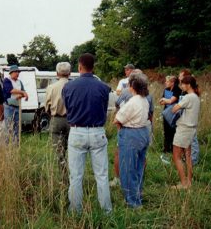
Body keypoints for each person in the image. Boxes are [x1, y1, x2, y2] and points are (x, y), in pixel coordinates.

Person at [62, 53, 112, 213]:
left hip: (77, 131)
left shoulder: (68, 87)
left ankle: (75, 210)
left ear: (79, 66)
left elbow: (68, 108)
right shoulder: (104, 87)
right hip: (98, 131)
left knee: (76, 176)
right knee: (102, 175)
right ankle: (106, 211)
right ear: (93, 67)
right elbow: (104, 109)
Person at [110, 70, 154, 187]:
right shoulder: (145, 99)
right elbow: (150, 114)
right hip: (143, 131)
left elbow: (117, 120)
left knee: (128, 168)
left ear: (132, 86)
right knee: (139, 164)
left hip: (131, 135)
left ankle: (132, 200)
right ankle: (137, 194)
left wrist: (121, 127)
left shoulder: (132, 102)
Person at [171, 75, 200, 189]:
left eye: (183, 83)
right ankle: (189, 181)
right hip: (191, 129)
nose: (181, 85)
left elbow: (174, 109)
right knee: (188, 156)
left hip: (184, 129)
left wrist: (174, 106)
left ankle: (183, 184)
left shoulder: (188, 97)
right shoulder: (196, 97)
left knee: (176, 156)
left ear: (188, 85)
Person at [45, 62, 71, 176]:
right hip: (72, 120)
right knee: (72, 149)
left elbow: (47, 106)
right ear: (69, 73)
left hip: (56, 119)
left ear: (57, 73)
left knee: (59, 150)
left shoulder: (51, 87)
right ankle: (73, 173)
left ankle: (63, 174)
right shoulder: (73, 86)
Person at [179, 69, 200, 165]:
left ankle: (194, 159)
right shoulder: (185, 91)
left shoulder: (192, 94)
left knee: (193, 139)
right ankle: (186, 157)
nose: (179, 77)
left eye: (181, 76)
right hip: (184, 118)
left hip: (190, 120)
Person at [3, 65, 28, 145]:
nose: (17, 73)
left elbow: (24, 92)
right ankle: (6, 145)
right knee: (8, 127)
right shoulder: (7, 80)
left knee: (17, 127)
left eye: (18, 72)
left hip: (17, 106)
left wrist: (22, 94)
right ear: (11, 73)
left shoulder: (19, 82)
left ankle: (15, 145)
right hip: (9, 107)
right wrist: (22, 93)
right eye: (16, 72)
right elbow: (10, 90)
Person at [159, 75, 181, 162]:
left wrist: (165, 99)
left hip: (174, 113)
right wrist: (166, 100)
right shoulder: (166, 89)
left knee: (173, 131)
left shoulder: (177, 90)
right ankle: (166, 148)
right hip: (166, 112)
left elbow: (172, 100)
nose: (165, 83)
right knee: (166, 130)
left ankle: (173, 149)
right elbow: (161, 101)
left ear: (172, 82)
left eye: (167, 81)